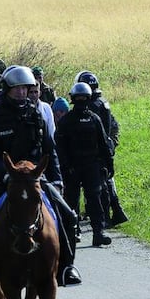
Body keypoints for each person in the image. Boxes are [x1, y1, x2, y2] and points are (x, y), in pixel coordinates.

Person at [0, 66, 82, 291]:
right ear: (7, 89)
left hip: (34, 180)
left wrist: (56, 178)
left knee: (68, 215)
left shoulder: (36, 113)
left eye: (25, 88)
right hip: (2, 181)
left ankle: (67, 268)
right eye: (17, 89)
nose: (21, 93)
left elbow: (50, 149)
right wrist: (5, 173)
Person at [55, 82, 114, 247]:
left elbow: (103, 143)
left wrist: (109, 164)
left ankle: (98, 233)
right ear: (73, 99)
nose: (81, 100)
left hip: (92, 166)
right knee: (71, 201)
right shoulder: (66, 121)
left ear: (88, 99)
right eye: (78, 97)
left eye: (84, 97)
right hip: (72, 167)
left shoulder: (95, 119)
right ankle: (72, 233)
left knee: (94, 199)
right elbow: (60, 147)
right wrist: (66, 166)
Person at [75, 71, 128, 227]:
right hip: (105, 145)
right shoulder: (102, 101)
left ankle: (105, 216)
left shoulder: (92, 105)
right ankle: (115, 211)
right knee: (107, 180)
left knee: (100, 184)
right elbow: (113, 125)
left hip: (97, 148)